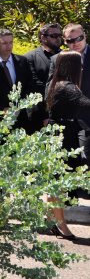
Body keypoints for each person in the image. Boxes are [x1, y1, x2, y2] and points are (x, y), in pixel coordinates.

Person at [44, 51, 90, 240]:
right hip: (64, 136)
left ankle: (51, 221)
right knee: (59, 183)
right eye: (80, 65)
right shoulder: (68, 87)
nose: (82, 68)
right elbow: (86, 105)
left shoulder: (57, 83)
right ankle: (61, 224)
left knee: (56, 181)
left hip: (58, 133)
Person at [24, 23, 63, 132]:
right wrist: (44, 116)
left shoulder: (66, 55)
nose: (58, 38)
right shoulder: (29, 58)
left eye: (60, 35)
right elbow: (34, 88)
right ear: (42, 37)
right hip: (40, 117)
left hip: (64, 114)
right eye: (54, 36)